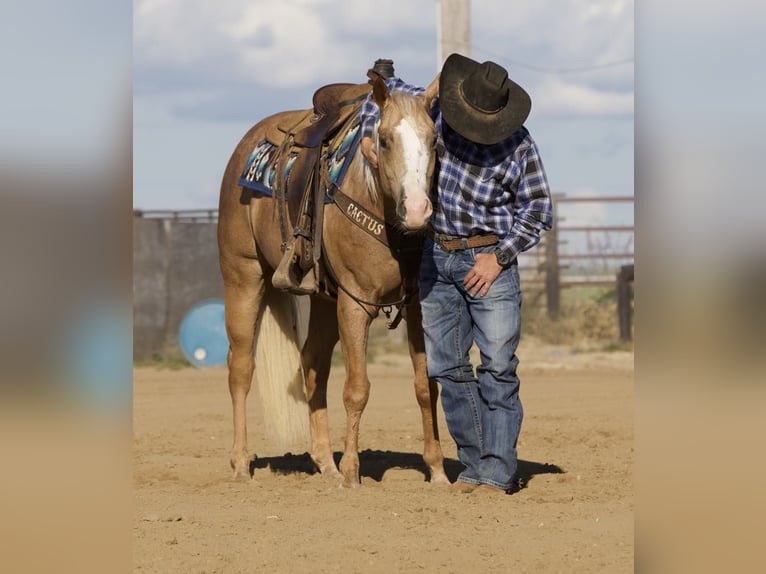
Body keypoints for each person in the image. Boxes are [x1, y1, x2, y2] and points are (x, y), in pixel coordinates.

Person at [359, 53, 553, 494]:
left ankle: (498, 471)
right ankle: (474, 465)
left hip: (490, 263)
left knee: (498, 368)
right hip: (437, 258)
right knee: (447, 367)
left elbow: (539, 209)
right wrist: (375, 118)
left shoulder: (517, 146)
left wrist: (499, 256)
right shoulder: (438, 117)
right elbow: (394, 98)